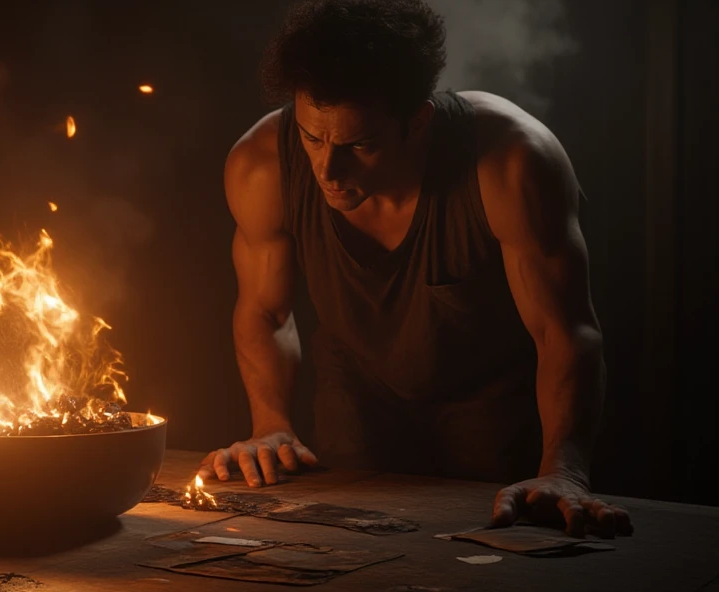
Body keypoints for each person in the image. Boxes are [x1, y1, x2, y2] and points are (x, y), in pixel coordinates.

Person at [198, 0, 633, 539]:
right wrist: (269, 427)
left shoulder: (512, 160)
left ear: (418, 121)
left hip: (494, 405)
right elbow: (264, 311)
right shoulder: (261, 164)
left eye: (360, 144)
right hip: (356, 397)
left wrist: (564, 471)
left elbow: (564, 330)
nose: (328, 170)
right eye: (313, 137)